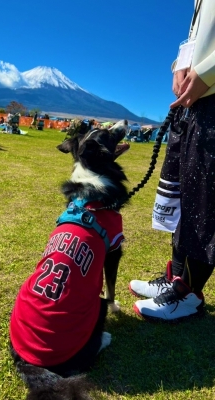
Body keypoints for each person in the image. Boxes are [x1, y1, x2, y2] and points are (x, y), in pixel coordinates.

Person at [129, 0, 215, 322]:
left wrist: (207, 72)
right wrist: (179, 64)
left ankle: (188, 293)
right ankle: (177, 277)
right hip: (198, 100)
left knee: (205, 199)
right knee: (185, 193)